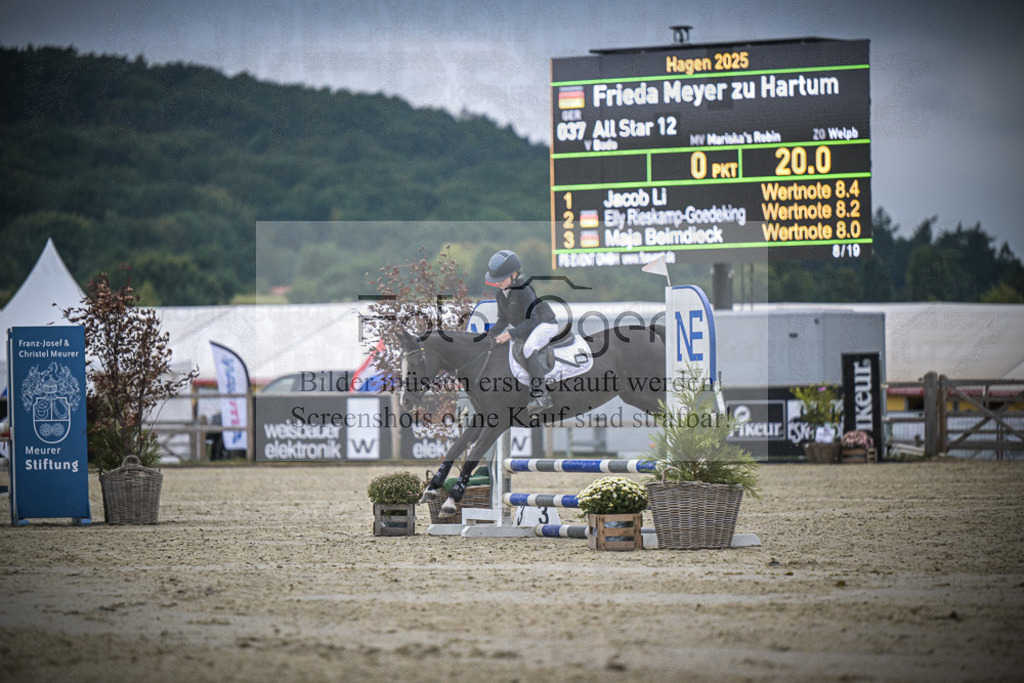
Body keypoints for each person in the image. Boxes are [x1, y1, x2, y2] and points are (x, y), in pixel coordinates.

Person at [484, 250, 558, 414]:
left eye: (501, 279)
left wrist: (510, 335)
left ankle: (542, 395)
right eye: (496, 280)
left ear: (514, 275)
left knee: (528, 348)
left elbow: (533, 319)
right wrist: (486, 337)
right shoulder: (500, 294)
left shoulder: (524, 289)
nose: (498, 283)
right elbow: (503, 320)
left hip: (545, 324)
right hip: (529, 327)